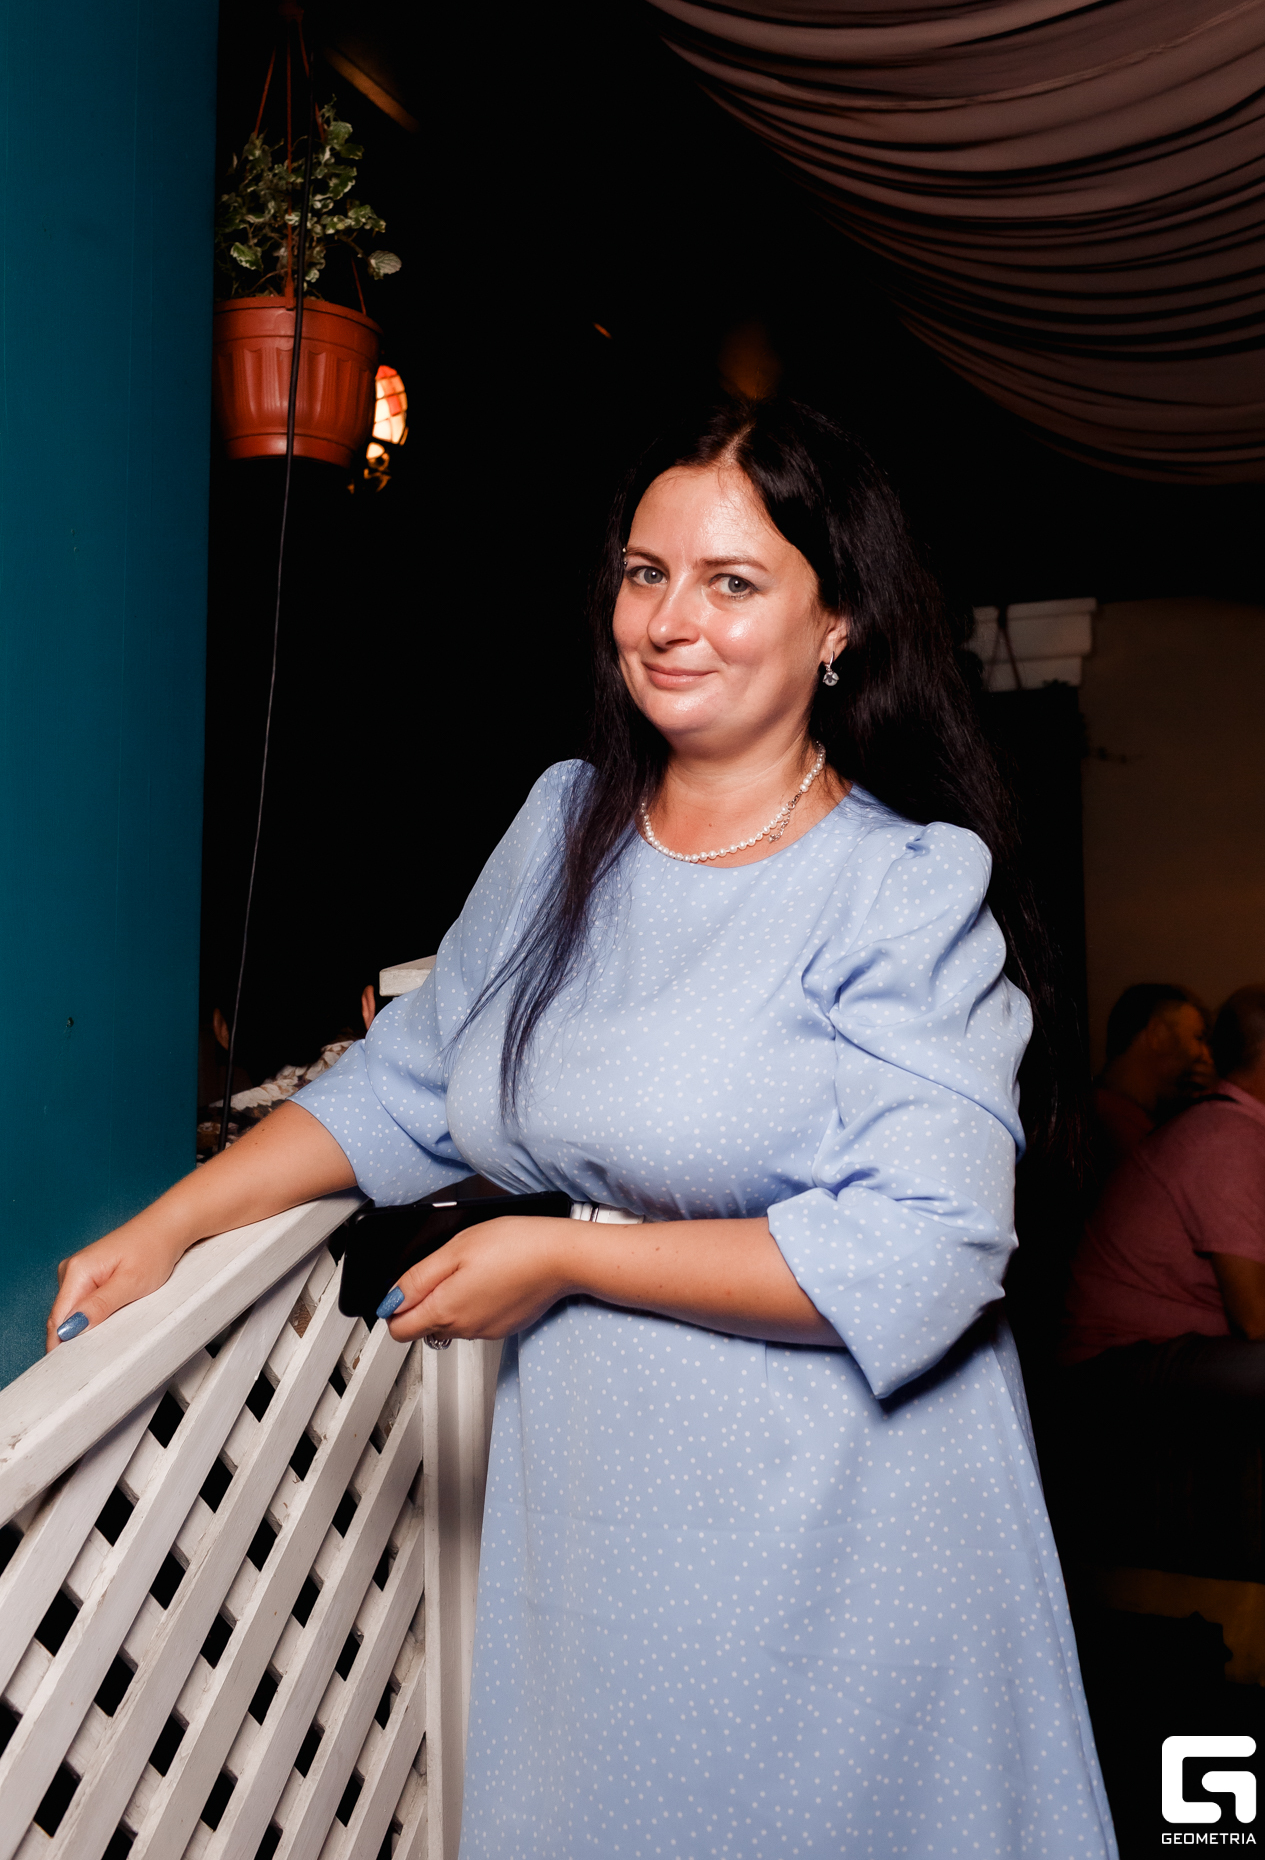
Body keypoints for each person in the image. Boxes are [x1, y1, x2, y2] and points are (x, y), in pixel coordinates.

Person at [47, 399, 1116, 1857]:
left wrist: (564, 1256)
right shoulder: (565, 828)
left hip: (839, 1523)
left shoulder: (900, 886)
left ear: (839, 623)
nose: (672, 621)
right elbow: (411, 1081)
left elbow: (928, 1249)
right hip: (603, 1504)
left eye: (732, 582)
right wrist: (169, 1228)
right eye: (645, 573)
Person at [1061, 984, 1265, 1401]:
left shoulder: (1241, 1129)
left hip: (1164, 1348)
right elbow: (1258, 1316)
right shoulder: (1230, 1135)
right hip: (1113, 1361)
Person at [1092, 983, 1213, 1174]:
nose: (1206, 1056)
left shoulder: (1135, 1120)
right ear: (1158, 1035)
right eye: (1198, 1038)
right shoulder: (1114, 1130)